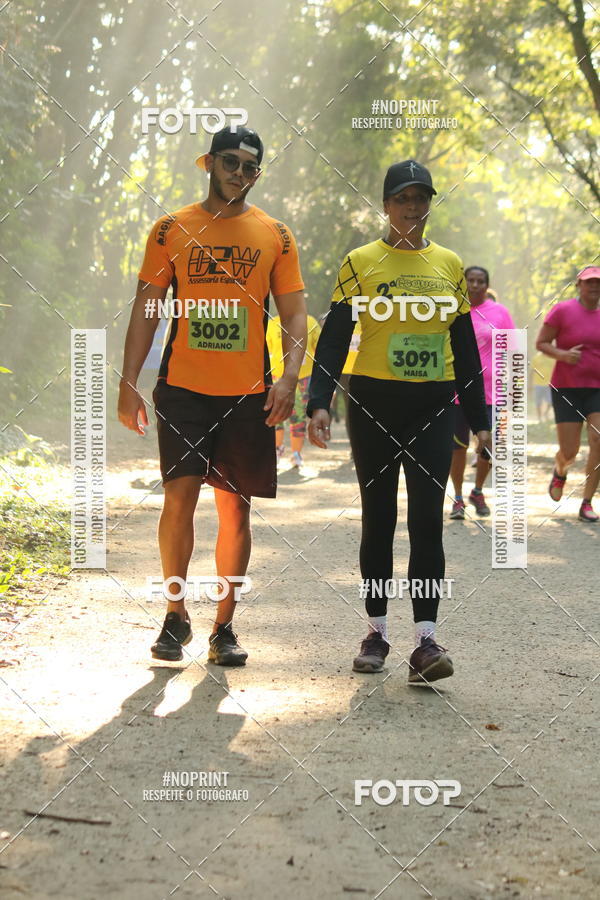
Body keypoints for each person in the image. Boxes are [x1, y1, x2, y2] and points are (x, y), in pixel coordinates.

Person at [118, 125, 306, 663]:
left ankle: (224, 628)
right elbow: (146, 309)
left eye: (250, 167)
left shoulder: (277, 234)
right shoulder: (171, 228)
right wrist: (128, 383)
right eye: (230, 162)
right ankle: (175, 617)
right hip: (183, 389)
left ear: (257, 174)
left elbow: (294, 313)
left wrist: (289, 378)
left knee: (235, 511)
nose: (239, 173)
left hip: (249, 394)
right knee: (178, 497)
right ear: (209, 163)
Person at [307, 160, 491, 682]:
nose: (413, 208)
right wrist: (319, 400)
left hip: (434, 406)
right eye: (402, 199)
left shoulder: (449, 264)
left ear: (430, 204)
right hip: (372, 405)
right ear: (386, 205)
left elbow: (463, 347)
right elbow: (336, 336)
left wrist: (479, 420)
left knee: (428, 521)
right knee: (380, 518)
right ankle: (377, 632)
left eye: (421, 199)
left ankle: (426, 642)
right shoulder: (360, 261)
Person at [449, 266, 515, 519]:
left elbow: (512, 351)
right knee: (457, 447)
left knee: (488, 446)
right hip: (456, 392)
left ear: (487, 286)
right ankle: (457, 498)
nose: (475, 285)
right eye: (470, 281)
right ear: (463, 283)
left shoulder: (500, 313)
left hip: (492, 392)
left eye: (480, 281)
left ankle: (477, 490)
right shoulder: (454, 309)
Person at [536, 265, 600, 522]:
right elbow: (541, 343)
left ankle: (587, 502)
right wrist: (562, 355)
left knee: (598, 441)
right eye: (589, 282)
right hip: (567, 387)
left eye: (597, 283)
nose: (594, 287)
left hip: (597, 387)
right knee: (570, 450)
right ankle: (561, 469)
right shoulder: (563, 311)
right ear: (578, 285)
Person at [266, 313, 320, 468]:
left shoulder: (311, 322)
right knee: (275, 415)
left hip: (303, 378)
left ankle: (296, 454)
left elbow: (320, 348)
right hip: (278, 376)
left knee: (299, 416)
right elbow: (265, 348)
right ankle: (277, 449)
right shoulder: (273, 323)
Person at [531, 350, 553, 423]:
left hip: (549, 384)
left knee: (551, 401)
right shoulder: (536, 358)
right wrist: (529, 384)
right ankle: (539, 418)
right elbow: (532, 371)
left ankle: (546, 414)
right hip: (538, 383)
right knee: (538, 402)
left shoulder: (552, 357)